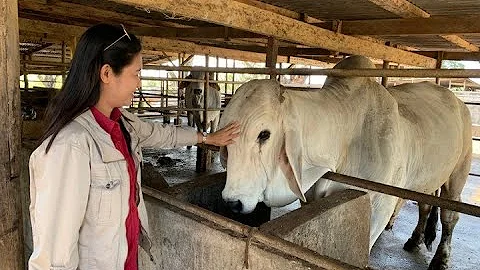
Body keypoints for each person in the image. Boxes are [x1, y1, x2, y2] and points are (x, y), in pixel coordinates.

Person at [28, 24, 240, 270]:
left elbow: (162, 134)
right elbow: (54, 255)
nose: (138, 83)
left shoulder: (123, 123)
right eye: (136, 73)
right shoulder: (70, 145)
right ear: (107, 73)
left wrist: (206, 139)